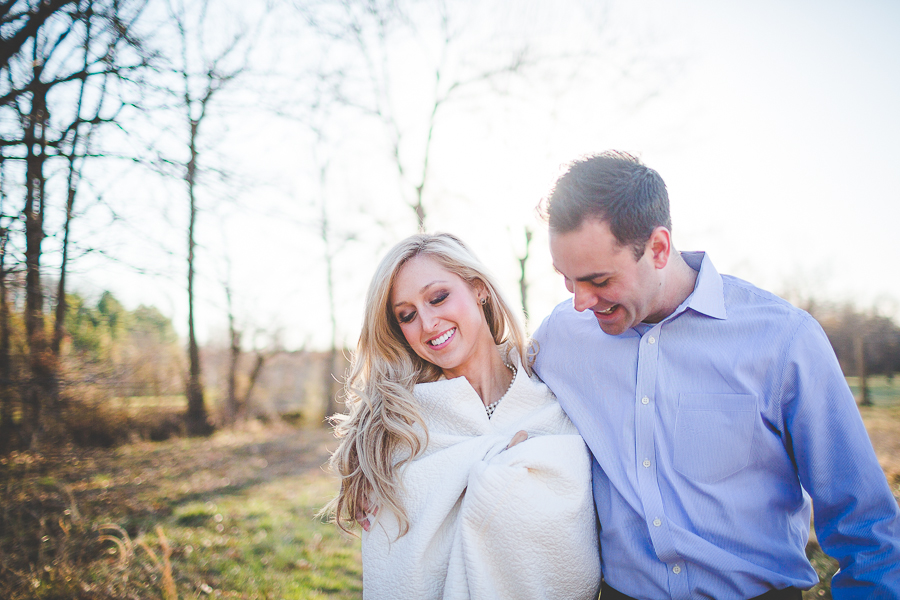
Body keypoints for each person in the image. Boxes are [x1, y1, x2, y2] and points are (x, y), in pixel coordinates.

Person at [533, 151, 900, 600]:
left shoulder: (784, 340)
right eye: (567, 280)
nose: (580, 302)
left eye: (598, 280)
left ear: (659, 248)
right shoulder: (559, 338)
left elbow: (865, 523)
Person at [324, 232, 601, 600]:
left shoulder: (553, 399)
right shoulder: (399, 428)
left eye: (438, 298)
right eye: (407, 315)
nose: (427, 323)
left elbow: (578, 541)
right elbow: (394, 568)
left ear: (478, 289)